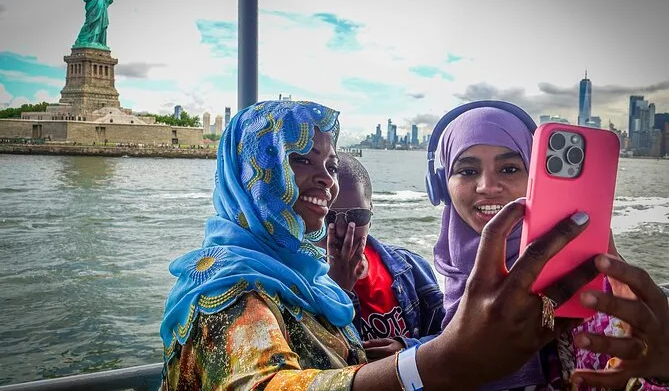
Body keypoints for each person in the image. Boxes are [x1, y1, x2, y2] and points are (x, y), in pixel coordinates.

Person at [160, 100, 665, 391]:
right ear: (248, 172)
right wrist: (434, 360)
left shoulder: (306, 276)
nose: (325, 180)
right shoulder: (224, 286)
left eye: (330, 165)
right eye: (299, 159)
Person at [431, 103, 669, 390]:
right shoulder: (443, 277)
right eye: (468, 171)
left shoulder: (590, 285)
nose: (487, 186)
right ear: (441, 186)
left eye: (510, 168)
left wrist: (660, 372)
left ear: (535, 177)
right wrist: (418, 352)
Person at [320, 153, 444, 357]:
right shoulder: (297, 283)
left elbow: (450, 337)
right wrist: (338, 290)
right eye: (329, 216)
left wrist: (408, 350)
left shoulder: (412, 268)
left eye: (356, 216)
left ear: (371, 212)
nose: (342, 229)